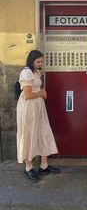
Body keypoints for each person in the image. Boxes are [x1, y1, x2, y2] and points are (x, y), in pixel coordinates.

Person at [16, 50, 60, 182]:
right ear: (32, 61)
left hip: (38, 108)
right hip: (29, 108)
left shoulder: (35, 72)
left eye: (41, 61)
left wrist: (40, 94)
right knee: (29, 134)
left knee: (42, 131)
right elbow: (27, 95)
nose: (40, 64)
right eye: (38, 61)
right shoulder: (26, 72)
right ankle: (28, 167)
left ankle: (43, 165)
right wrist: (41, 93)